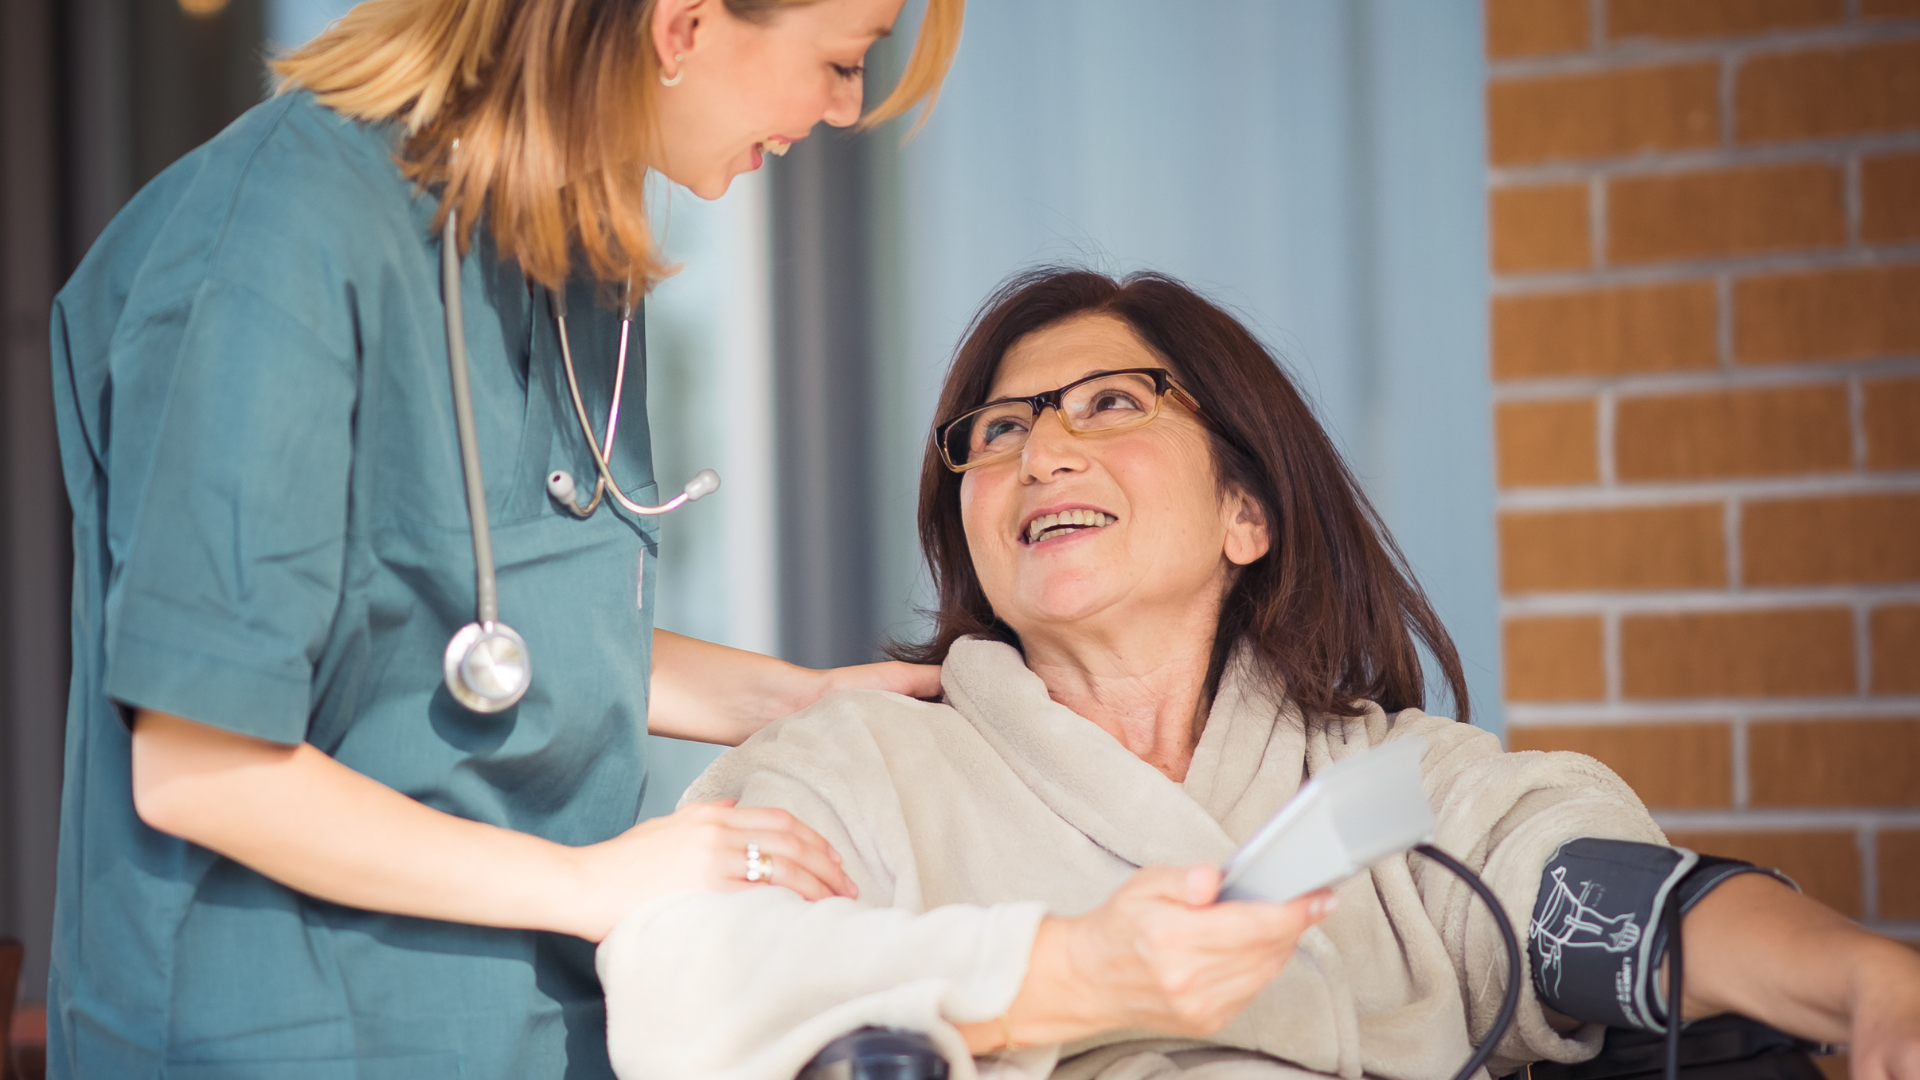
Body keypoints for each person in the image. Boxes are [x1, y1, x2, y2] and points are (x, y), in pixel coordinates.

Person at [594, 269, 1920, 1080]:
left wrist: (1865, 981)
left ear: (1248, 512)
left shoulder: (1384, 783)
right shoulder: (860, 761)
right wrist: (1073, 977)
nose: (1041, 449)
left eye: (1111, 403)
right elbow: (683, 979)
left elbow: (1609, 899)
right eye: (998, 431)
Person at [44, 0, 962, 1076]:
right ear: (685, 25)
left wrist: (797, 705)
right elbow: (203, 767)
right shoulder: (279, 236)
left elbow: (484, 629)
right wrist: (597, 882)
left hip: (534, 1027)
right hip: (278, 1033)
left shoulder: (566, 250)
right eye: (842, 62)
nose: (845, 107)